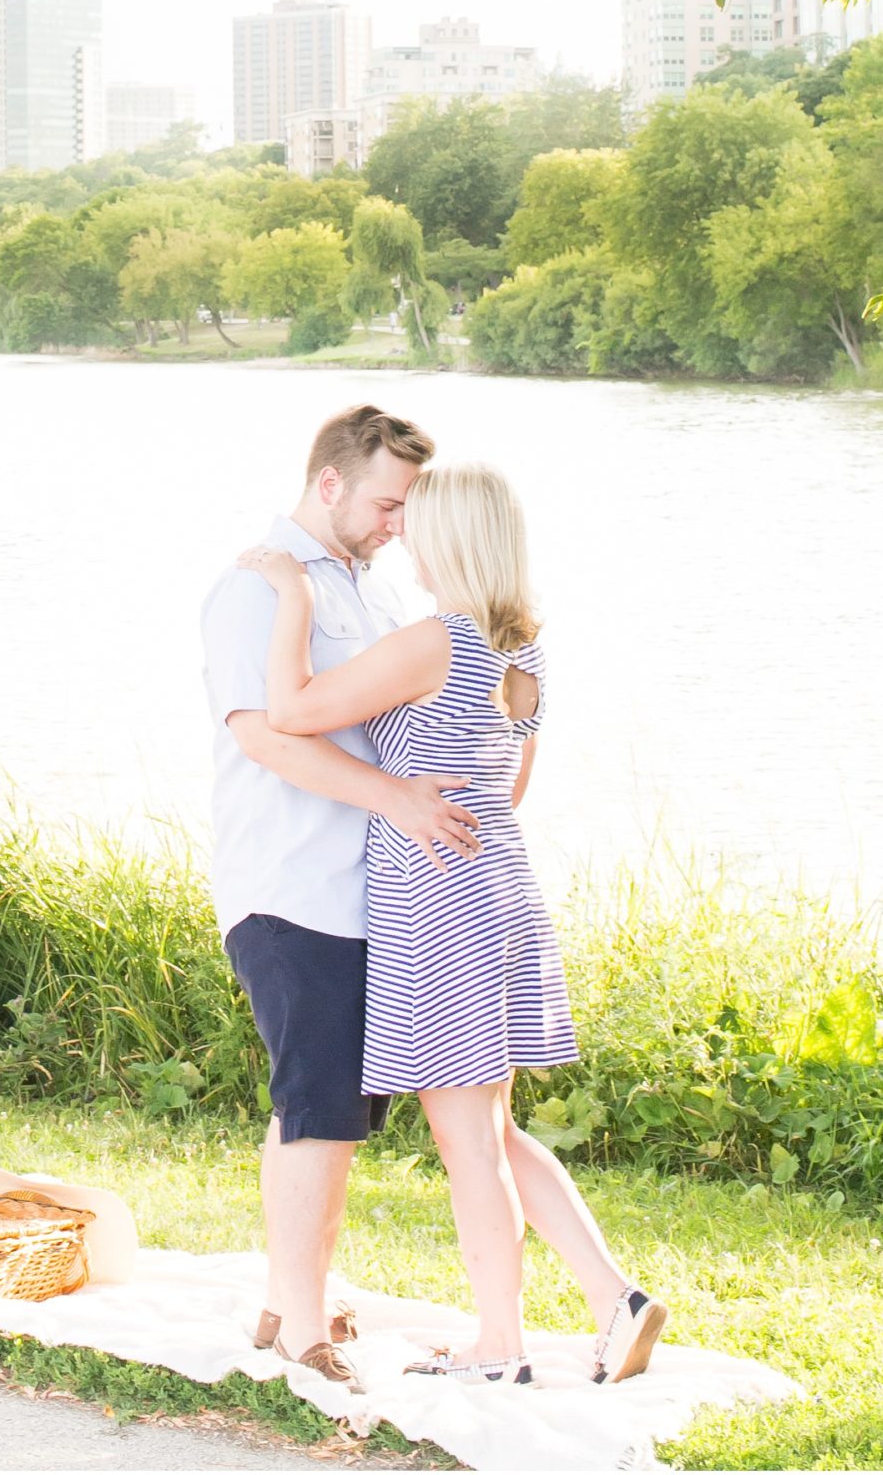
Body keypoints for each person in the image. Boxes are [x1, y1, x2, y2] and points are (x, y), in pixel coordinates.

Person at [245, 458, 666, 1388]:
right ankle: (614, 1302)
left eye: (417, 520)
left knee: (464, 1137)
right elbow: (508, 787)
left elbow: (291, 711)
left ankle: (498, 1348)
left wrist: (288, 596)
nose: (403, 535)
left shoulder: (436, 640)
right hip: (498, 886)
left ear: (453, 538)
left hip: (434, 896)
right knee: (495, 1124)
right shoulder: (523, 651)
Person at [200, 404, 482, 1390]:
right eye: (385, 501)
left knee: (328, 1108)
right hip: (287, 884)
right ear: (328, 484)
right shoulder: (256, 588)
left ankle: (288, 1295)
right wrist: (397, 799)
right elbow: (264, 735)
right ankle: (304, 1329)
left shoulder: (363, 587)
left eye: (406, 506)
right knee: (316, 1104)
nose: (397, 522)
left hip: (359, 892)